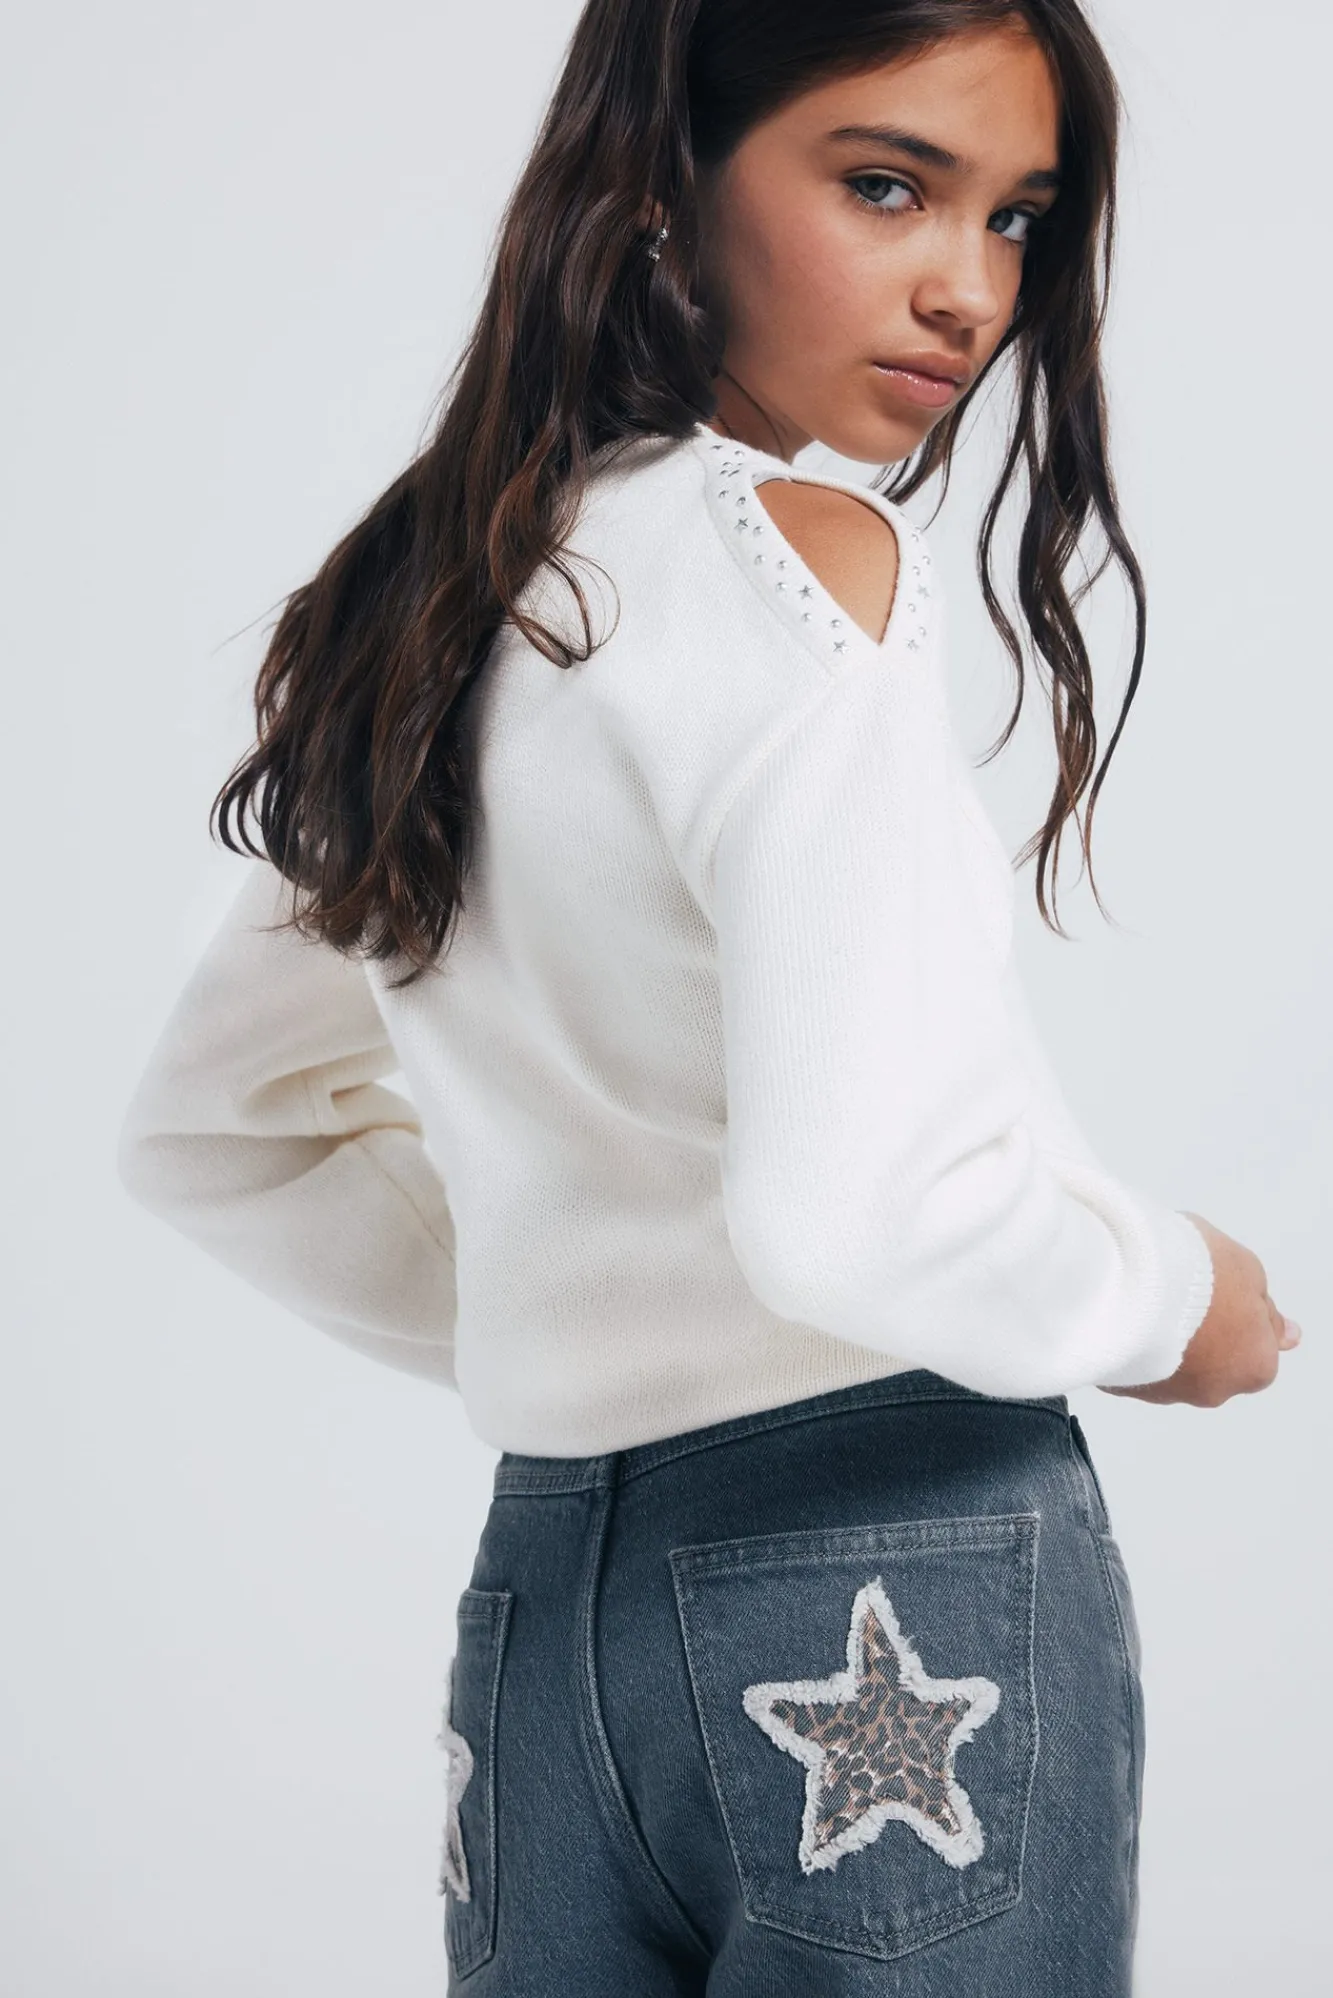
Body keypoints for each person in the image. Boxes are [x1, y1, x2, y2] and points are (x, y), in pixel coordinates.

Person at [115, 2, 1301, 1991]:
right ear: (667, 175)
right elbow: (861, 1217)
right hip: (896, 1568)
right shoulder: (799, 566)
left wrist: (593, 1330)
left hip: (551, 1595)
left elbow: (213, 1134)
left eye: (1018, 218)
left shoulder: (454, 610)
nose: (968, 287)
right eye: (887, 185)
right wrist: (1180, 1295)